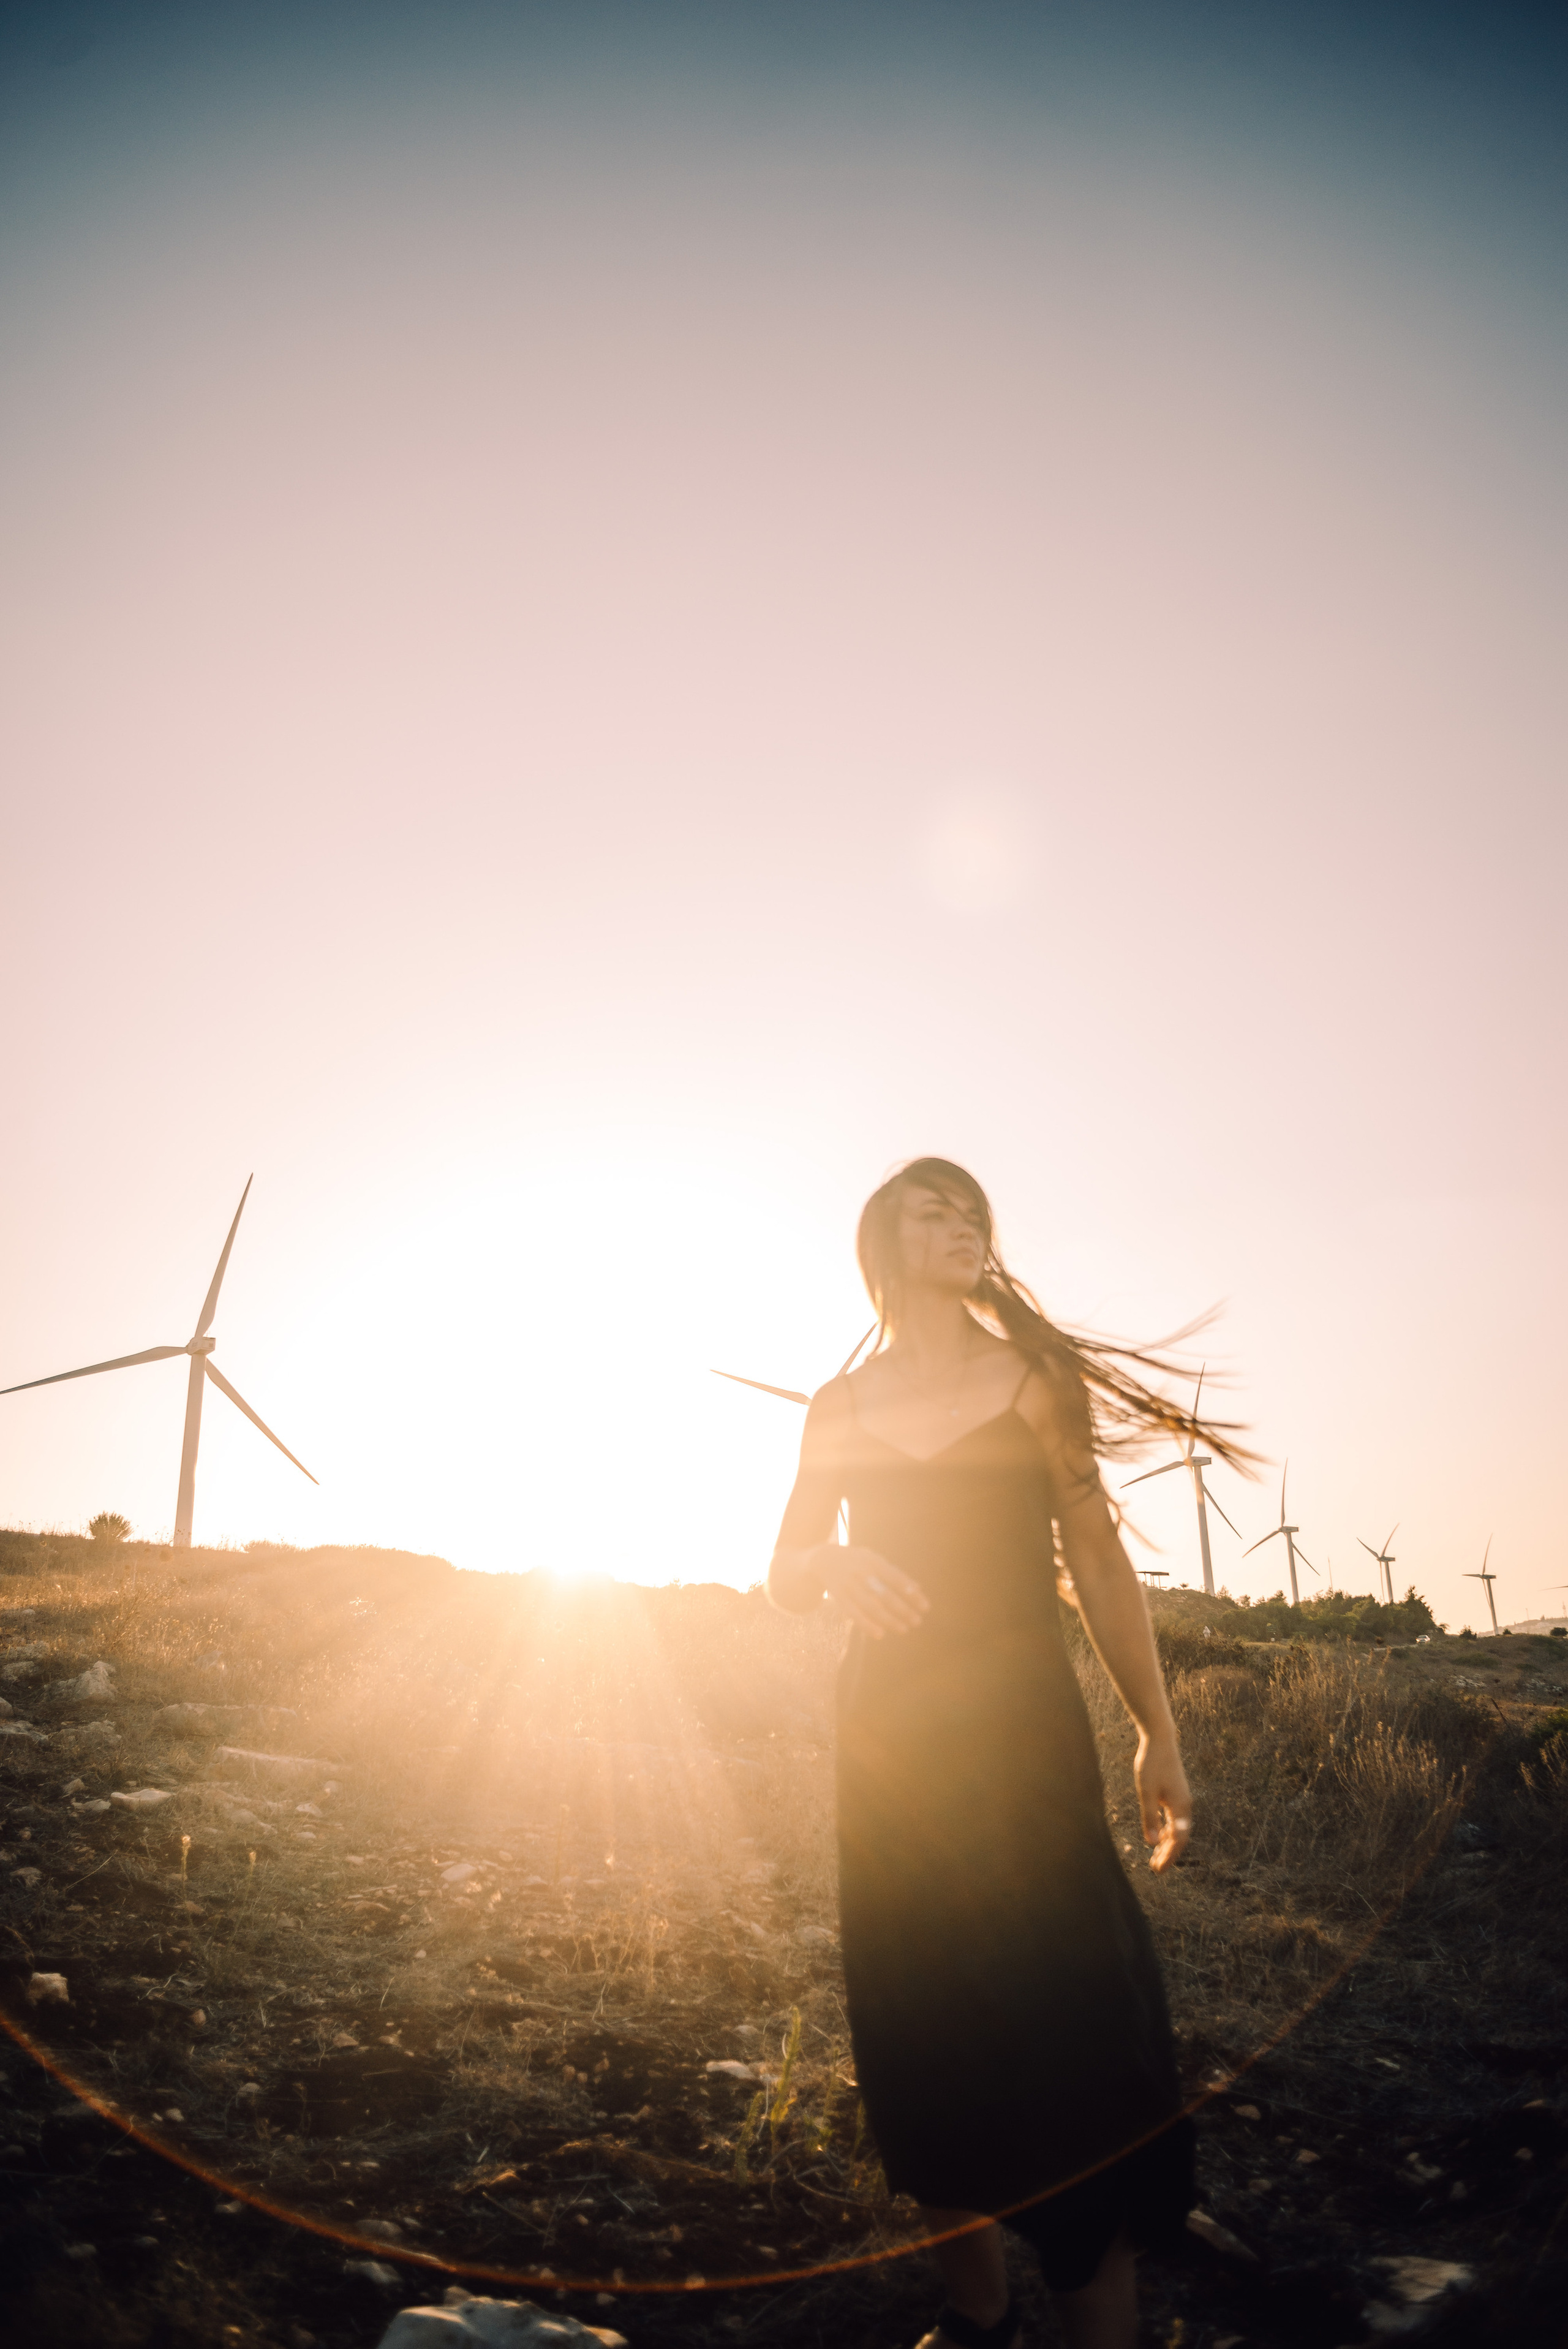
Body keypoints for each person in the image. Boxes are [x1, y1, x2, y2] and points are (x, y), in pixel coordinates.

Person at [769, 1159, 1252, 2349]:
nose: (961, 1226)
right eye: (931, 1211)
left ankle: (1101, 2297)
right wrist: (827, 1567)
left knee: (1061, 2015)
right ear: (880, 1244)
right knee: (913, 2004)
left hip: (1019, 1739)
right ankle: (972, 2311)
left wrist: (1156, 1731)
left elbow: (1094, 1560)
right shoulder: (836, 1407)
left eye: (971, 1212)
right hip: (886, 1748)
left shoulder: (1033, 1381)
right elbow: (782, 1569)